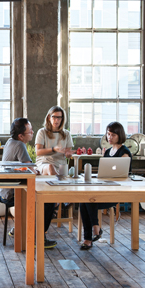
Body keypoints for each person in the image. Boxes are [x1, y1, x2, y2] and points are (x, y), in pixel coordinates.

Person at [0, 117, 57, 249]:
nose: (32, 133)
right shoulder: (20, 145)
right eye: (30, 131)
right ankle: (39, 237)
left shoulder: (10, 141)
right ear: (21, 136)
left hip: (4, 190)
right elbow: (31, 169)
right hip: (12, 192)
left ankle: (18, 228)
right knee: (47, 201)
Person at [80, 121, 132, 250]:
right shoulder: (108, 151)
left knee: (88, 200)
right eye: (108, 134)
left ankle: (94, 231)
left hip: (115, 193)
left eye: (113, 134)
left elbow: (124, 176)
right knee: (83, 199)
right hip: (104, 189)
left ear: (120, 135)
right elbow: (104, 173)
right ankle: (90, 236)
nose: (109, 137)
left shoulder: (124, 153)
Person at [35, 106, 73, 175]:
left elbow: (67, 155)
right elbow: (38, 152)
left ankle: (58, 182)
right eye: (54, 117)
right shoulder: (42, 132)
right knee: (50, 167)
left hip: (61, 165)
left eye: (59, 118)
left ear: (62, 119)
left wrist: (68, 154)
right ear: (49, 118)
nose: (57, 120)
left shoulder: (67, 134)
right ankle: (58, 182)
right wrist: (54, 149)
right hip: (44, 163)